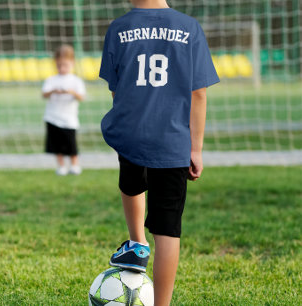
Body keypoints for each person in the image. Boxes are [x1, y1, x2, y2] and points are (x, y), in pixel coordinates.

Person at [99, 0, 220, 304]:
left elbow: (116, 89)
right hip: (173, 140)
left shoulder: (119, 27)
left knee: (131, 181)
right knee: (167, 227)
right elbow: (199, 93)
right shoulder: (189, 27)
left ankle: (137, 241)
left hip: (132, 133)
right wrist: (196, 148)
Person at [42, 44, 86, 176]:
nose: (62, 68)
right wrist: (54, 91)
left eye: (65, 65)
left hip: (69, 119)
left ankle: (74, 165)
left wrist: (71, 92)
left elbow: (81, 97)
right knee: (56, 145)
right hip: (52, 117)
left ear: (72, 63)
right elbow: (44, 94)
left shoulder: (76, 81)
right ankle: (61, 166)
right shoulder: (51, 80)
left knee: (71, 144)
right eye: (59, 65)